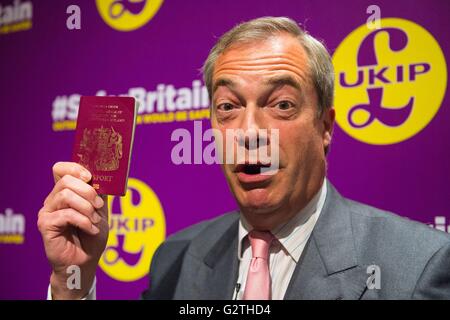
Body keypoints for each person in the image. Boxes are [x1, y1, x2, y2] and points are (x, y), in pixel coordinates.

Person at [38, 16, 450, 300]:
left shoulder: (418, 266)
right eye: (228, 107)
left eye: (282, 104)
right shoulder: (175, 259)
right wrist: (73, 281)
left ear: (325, 128)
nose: (250, 133)